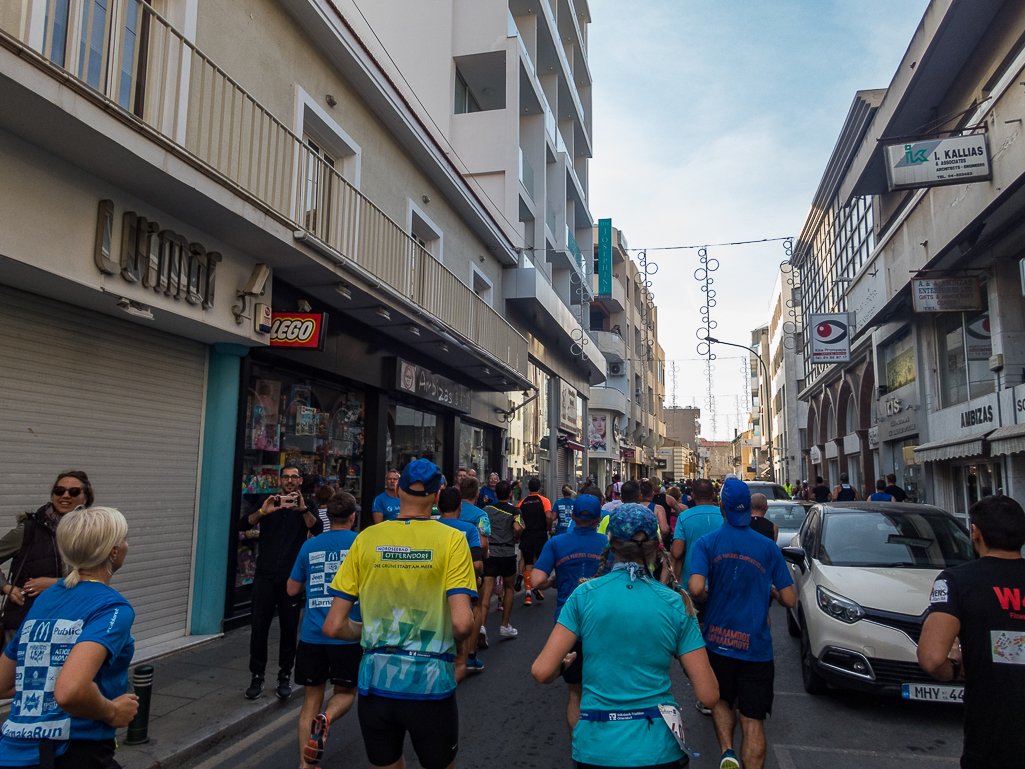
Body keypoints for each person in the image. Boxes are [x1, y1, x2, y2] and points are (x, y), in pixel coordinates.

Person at [532, 505, 719, 768]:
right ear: (657, 545)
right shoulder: (675, 603)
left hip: (597, 749)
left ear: (609, 542)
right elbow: (709, 695)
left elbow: (542, 672)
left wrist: (564, 666)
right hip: (658, 749)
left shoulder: (584, 595)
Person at [322, 459, 476, 769]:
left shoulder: (366, 538)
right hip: (431, 686)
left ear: (399, 490)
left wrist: (368, 632)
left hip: (376, 684)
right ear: (436, 496)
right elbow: (462, 624)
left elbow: (334, 626)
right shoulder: (453, 540)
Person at [0, 506, 137, 768]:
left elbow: (3, 682)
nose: (127, 546)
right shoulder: (113, 608)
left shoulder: (49, 596)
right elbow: (70, 692)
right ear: (114, 552)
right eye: (125, 539)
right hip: (71, 752)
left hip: (12, 749)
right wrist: (112, 711)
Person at [688, 479, 796, 769]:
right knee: (753, 720)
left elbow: (696, 588)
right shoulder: (768, 547)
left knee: (722, 703)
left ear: (722, 507)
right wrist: (770, 589)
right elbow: (790, 599)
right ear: (749, 509)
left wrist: (711, 591)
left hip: (718, 642)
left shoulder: (707, 542)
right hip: (757, 648)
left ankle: (727, 752)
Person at [918, 495, 1025, 769]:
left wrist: (954, 668)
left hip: (994, 736)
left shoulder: (957, 581)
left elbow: (931, 658)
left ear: (975, 533)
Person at [287, 493, 362, 769]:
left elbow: (292, 589)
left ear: (327, 518)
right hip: (346, 635)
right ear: (353, 516)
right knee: (345, 692)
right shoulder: (360, 544)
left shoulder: (309, 547)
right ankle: (327, 718)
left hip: (311, 636)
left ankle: (305, 766)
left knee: (310, 701)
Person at [241, 464, 321, 700]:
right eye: (286, 477)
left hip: (291, 579)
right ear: (280, 480)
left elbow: (317, 529)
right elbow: (243, 525)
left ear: (300, 481)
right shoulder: (268, 501)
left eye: (293, 477)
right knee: (259, 629)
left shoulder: (307, 505)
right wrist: (263, 513)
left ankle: (284, 675)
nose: (289, 481)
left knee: (288, 629)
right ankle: (257, 676)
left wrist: (304, 509)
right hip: (265, 576)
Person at [530, 495, 608, 731]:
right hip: (604, 624)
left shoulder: (556, 543)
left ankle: (579, 745)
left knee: (575, 692)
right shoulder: (608, 543)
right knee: (604, 690)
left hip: (568, 627)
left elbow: (536, 580)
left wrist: (553, 582)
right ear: (599, 518)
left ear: (572, 516)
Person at [0, 471, 95, 646]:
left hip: (71, 622)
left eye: (73, 492)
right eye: (60, 491)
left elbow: (97, 579)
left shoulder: (91, 534)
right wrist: (5, 587)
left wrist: (55, 583)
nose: (65, 495)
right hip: (24, 622)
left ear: (85, 498)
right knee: (12, 673)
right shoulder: (28, 530)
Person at [437, 487, 485, 673]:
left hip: (436, 593)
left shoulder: (432, 527)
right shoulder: (469, 529)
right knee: (460, 656)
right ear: (459, 507)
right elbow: (477, 565)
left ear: (438, 508)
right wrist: (475, 580)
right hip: (460, 592)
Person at [482, 482, 523, 642]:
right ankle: (505, 626)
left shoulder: (486, 510)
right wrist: (516, 537)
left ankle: (482, 626)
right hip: (507, 553)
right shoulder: (515, 510)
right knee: (509, 589)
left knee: (486, 591)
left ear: (496, 495)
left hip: (490, 553)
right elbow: (519, 527)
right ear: (510, 495)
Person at [457, 478, 490, 671]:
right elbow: (484, 544)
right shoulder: (481, 514)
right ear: (477, 494)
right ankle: (470, 653)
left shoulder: (449, 511)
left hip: (449, 565)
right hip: (472, 565)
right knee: (475, 606)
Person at [517, 478, 552, 605]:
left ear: (528, 489)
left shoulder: (522, 502)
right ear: (539, 489)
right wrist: (549, 528)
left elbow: (516, 518)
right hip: (540, 534)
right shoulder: (544, 500)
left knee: (527, 563)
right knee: (537, 562)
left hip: (526, 535)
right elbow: (548, 515)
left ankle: (527, 595)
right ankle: (536, 588)